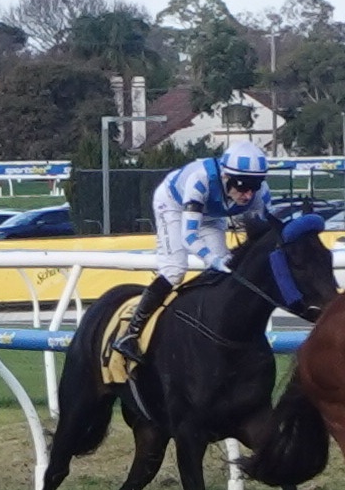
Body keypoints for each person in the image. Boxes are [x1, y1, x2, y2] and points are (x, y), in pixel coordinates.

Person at [114, 140, 271, 363]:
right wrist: (212, 259)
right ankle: (131, 333)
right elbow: (189, 237)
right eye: (242, 186)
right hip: (174, 205)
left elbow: (263, 235)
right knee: (175, 270)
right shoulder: (200, 180)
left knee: (225, 272)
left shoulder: (261, 194)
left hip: (210, 215)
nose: (248, 195)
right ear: (226, 177)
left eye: (254, 187)